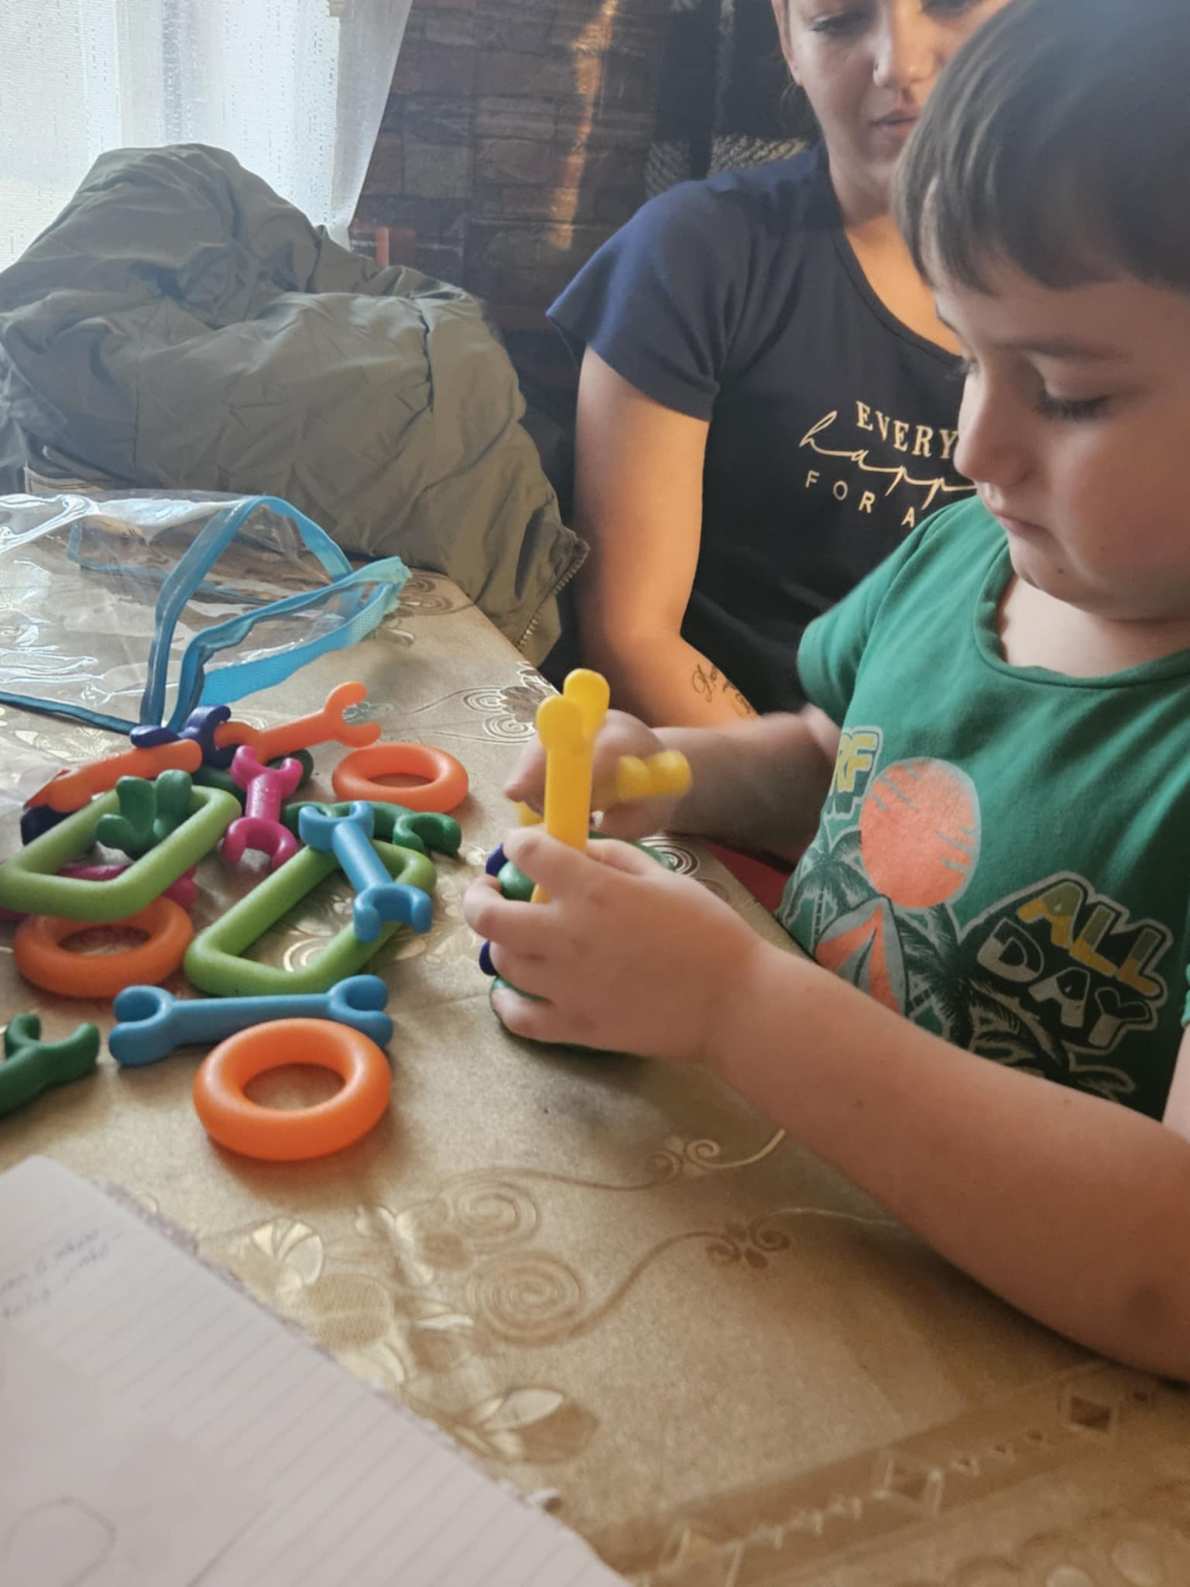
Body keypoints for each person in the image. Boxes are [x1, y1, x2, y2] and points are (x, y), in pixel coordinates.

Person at [465, 0, 1190, 1377]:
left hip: (1006, 1399)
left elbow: (1174, 1267)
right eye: (967, 358)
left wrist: (736, 1004)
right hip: (785, 1249)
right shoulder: (962, 556)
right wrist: (668, 770)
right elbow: (842, 760)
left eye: (1066, 391)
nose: (972, 446)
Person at [549, 0, 1011, 726]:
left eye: (949, 3)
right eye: (840, 19)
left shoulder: (1119, 284)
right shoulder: (693, 254)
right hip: (715, 770)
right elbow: (633, 638)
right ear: (788, 42)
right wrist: (810, 792)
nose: (898, 64)